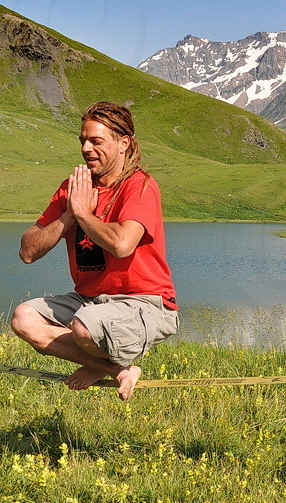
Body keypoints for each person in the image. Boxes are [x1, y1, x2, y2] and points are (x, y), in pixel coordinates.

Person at [11, 101, 178, 401]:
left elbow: (122, 245)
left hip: (146, 304)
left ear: (123, 143)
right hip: (91, 301)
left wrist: (85, 216)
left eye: (96, 141)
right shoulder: (74, 189)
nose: (86, 148)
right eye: (83, 141)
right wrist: (70, 214)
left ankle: (101, 363)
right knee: (24, 318)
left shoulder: (140, 186)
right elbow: (27, 252)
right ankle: (115, 369)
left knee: (86, 327)